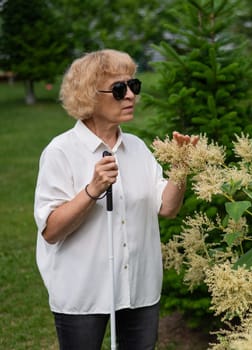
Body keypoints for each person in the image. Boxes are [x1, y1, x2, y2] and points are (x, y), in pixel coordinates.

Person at [34, 49, 197, 349]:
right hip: (83, 292)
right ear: (89, 96)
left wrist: (182, 166)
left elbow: (168, 207)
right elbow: (51, 230)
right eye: (119, 89)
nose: (130, 96)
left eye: (134, 86)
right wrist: (92, 190)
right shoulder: (60, 152)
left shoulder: (137, 148)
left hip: (138, 288)